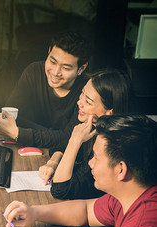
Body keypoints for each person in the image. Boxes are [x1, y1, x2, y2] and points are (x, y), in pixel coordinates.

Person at [3, 114, 157, 227]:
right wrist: (34, 212)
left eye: (96, 158)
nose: (90, 163)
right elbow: (86, 210)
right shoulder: (133, 192)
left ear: (120, 170)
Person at [39, 69, 131, 199]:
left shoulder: (108, 146)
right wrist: (53, 162)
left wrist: (75, 141)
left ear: (109, 113)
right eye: (82, 94)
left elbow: (61, 190)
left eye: (88, 101)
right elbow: (60, 145)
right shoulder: (93, 124)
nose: (79, 103)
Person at [0, 31, 92, 149]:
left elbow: (71, 139)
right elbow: (8, 118)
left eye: (66, 68)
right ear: (49, 50)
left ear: (81, 68)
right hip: (29, 149)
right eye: (52, 62)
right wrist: (56, 136)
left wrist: (18, 133)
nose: (55, 72)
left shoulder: (88, 90)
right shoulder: (34, 71)